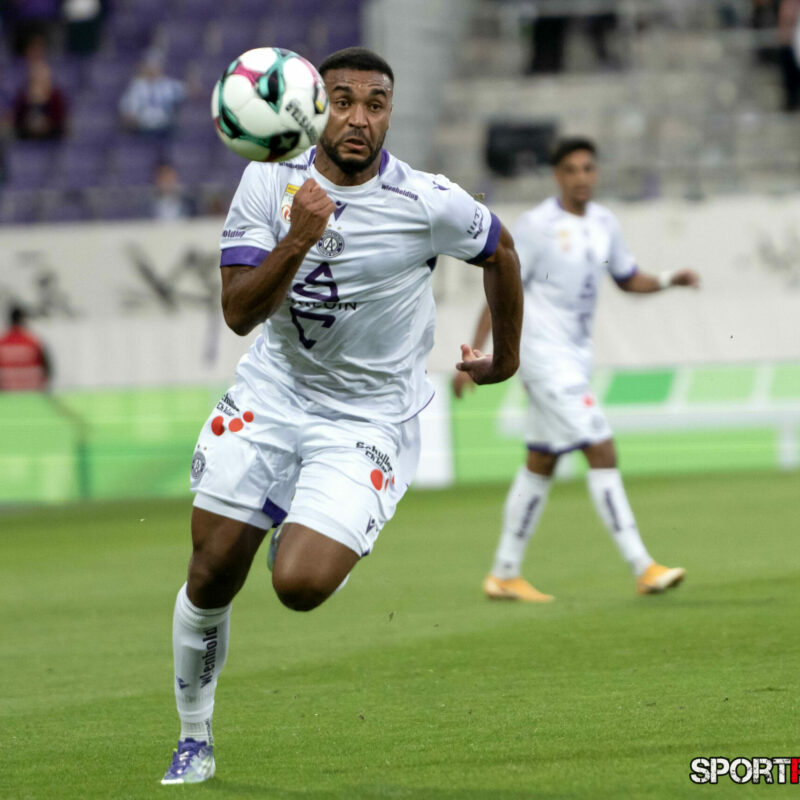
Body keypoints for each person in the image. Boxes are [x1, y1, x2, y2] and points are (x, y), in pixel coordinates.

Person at [160, 47, 523, 784]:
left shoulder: (427, 201)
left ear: (390, 114)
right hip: (272, 394)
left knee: (298, 586)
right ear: (316, 107)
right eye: (344, 101)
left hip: (366, 419)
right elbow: (238, 313)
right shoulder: (268, 178)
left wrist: (506, 360)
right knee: (210, 573)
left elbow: (503, 253)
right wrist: (299, 235)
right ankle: (194, 737)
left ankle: (307, 531)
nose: (360, 119)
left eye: (376, 104)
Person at [453, 137, 700, 603]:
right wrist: (480, 354)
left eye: (588, 168)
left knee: (542, 459)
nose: (581, 177)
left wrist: (671, 279)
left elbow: (627, 278)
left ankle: (504, 573)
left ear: (596, 173)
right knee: (600, 448)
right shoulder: (537, 226)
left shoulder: (604, 223)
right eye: (571, 169)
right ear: (557, 176)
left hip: (574, 358)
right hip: (542, 357)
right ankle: (643, 566)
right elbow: (503, 286)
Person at [119, 51, 185, 137]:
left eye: (156, 66)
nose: (153, 70)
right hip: (142, 129)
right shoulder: (136, 86)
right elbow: (127, 112)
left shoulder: (169, 84)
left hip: (166, 129)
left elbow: (189, 91)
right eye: (150, 67)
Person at [12, 56, 68, 140]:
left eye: (42, 73)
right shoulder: (23, 95)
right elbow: (17, 121)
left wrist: (47, 124)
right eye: (36, 73)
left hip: (52, 138)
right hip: (27, 137)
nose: (39, 76)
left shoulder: (56, 96)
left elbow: (60, 121)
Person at [0, 304, 52, 391]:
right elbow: (47, 369)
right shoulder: (34, 342)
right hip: (31, 393)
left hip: (6, 394)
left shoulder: (2, 343)